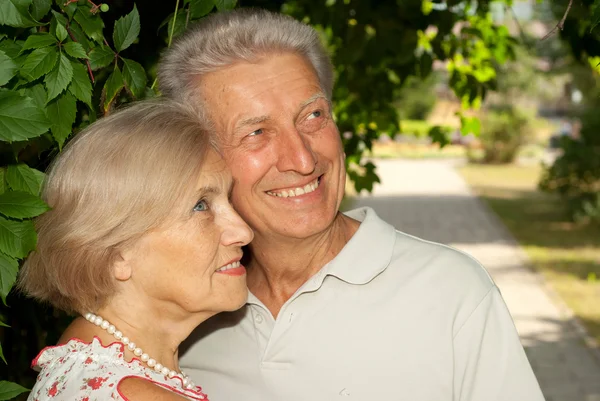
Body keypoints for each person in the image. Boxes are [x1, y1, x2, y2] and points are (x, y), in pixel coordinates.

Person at [158, 8, 545, 401]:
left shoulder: (452, 293)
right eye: (257, 132)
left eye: (312, 116)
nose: (303, 160)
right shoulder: (184, 315)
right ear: (202, 158)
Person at [17, 100, 253, 400]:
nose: (243, 232)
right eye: (200, 206)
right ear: (117, 253)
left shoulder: (80, 369)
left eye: (228, 200)